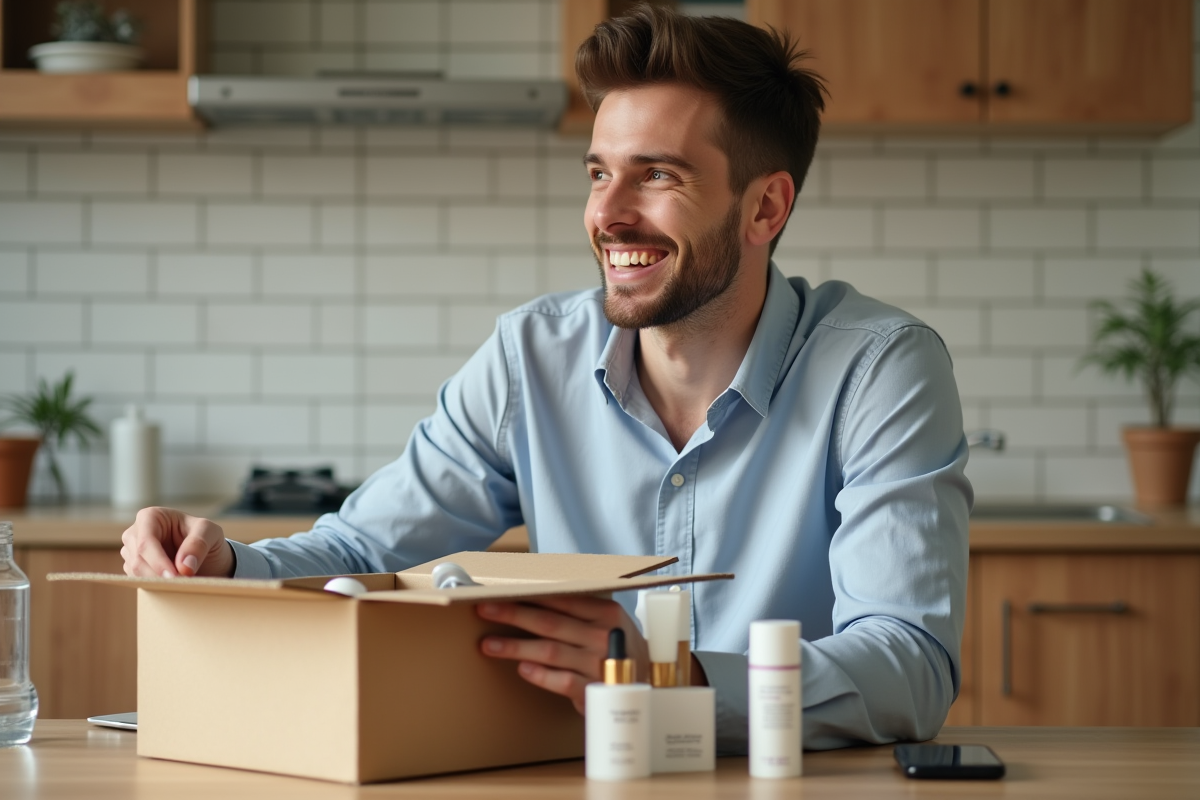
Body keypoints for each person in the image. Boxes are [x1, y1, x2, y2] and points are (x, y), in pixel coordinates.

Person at [121, 6, 970, 753]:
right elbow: (362, 552)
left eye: (658, 174)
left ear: (765, 209)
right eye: (600, 172)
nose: (608, 213)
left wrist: (671, 680)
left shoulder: (879, 368)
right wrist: (222, 562)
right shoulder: (531, 356)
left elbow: (908, 663)